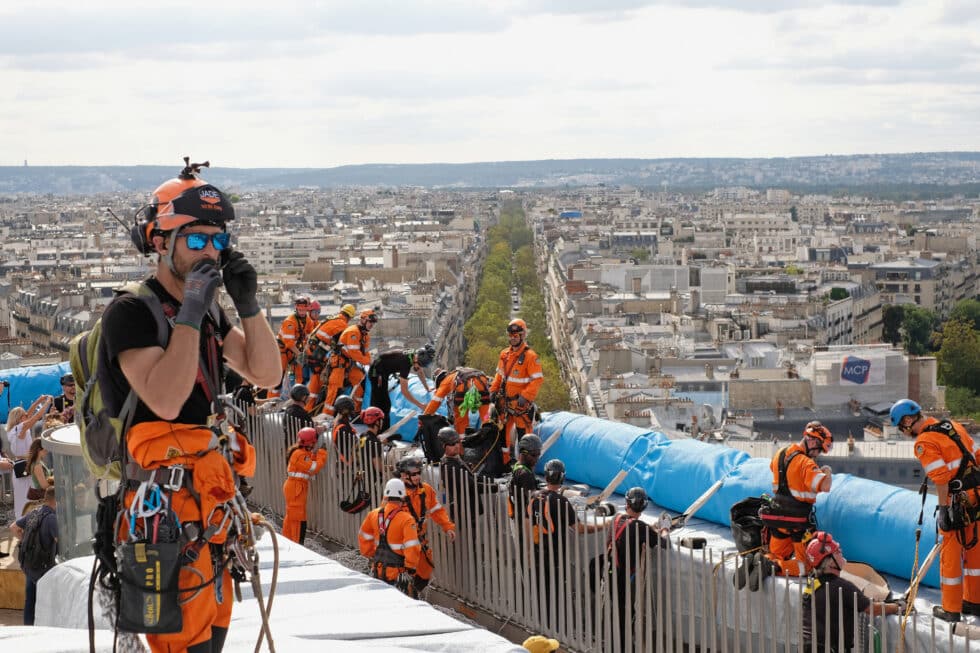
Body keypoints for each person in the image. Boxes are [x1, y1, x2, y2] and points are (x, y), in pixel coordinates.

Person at [102, 163, 280, 652]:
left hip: (208, 503)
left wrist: (248, 306)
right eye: (195, 241)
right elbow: (165, 398)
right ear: (161, 242)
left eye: (216, 241)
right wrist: (191, 312)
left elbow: (267, 374)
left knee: (212, 636)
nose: (209, 252)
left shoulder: (208, 311)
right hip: (166, 512)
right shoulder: (131, 313)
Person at [891, 398, 980, 622]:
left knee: (950, 554)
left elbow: (941, 479)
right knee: (975, 552)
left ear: (909, 420)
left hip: (956, 501)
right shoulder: (953, 425)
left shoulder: (925, 442)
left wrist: (943, 509)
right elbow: (976, 456)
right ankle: (974, 602)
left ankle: (951, 609)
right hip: (976, 496)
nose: (904, 432)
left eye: (902, 428)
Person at [748, 421, 833, 588]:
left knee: (776, 554)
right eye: (818, 450)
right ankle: (772, 566)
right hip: (797, 524)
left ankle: (759, 562)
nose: (817, 454)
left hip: (776, 518)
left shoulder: (780, 453)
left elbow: (776, 472)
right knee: (805, 566)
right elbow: (825, 485)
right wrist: (827, 471)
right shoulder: (806, 463)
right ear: (812, 441)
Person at [591, 487, 667, 652]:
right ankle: (623, 646)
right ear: (644, 506)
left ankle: (611, 643)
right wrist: (665, 529)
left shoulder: (617, 518)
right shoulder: (640, 527)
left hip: (610, 571)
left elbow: (622, 534)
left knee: (613, 609)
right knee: (626, 613)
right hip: (626, 578)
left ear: (627, 503)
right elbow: (663, 543)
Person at [802, 531, 902, 652]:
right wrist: (897, 607)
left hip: (807, 647)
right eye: (837, 552)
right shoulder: (841, 586)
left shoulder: (813, 582)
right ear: (831, 561)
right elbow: (872, 609)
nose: (841, 554)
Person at [527, 459, 608, 606]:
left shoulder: (535, 496)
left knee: (539, 590)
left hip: (537, 551)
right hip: (555, 555)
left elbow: (529, 522)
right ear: (562, 478)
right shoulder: (561, 502)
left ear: (546, 476)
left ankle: (541, 618)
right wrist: (604, 525)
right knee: (554, 593)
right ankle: (553, 623)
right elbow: (580, 529)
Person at [396, 457, 457, 595]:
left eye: (419, 473)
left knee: (425, 571)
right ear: (404, 475)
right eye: (414, 474)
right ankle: (406, 596)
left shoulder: (426, 490)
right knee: (405, 573)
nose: (417, 477)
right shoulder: (396, 493)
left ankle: (412, 593)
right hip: (401, 542)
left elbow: (437, 510)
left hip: (419, 540)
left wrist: (447, 527)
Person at [489, 318, 544, 463]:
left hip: (521, 406)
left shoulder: (530, 357)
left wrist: (526, 396)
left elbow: (537, 380)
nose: (512, 339)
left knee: (524, 439)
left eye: (515, 336)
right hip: (505, 404)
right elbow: (499, 375)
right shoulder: (505, 355)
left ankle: (524, 467)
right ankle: (505, 463)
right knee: (503, 437)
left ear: (522, 335)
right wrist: (493, 390)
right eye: (510, 336)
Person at [358, 478, 422, 596]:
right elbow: (412, 546)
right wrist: (411, 567)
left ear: (386, 496)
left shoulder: (373, 514)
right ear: (403, 497)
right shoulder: (407, 519)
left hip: (377, 570)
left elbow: (363, 538)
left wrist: (372, 554)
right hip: (397, 575)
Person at [11, 485, 58, 625]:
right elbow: (59, 540)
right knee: (46, 601)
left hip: (29, 563)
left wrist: (24, 539)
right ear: (56, 500)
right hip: (44, 567)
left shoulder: (34, 512)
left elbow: (13, 527)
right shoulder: (51, 518)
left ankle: (28, 628)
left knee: (30, 600)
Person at [322, 309, 378, 417]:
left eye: (373, 323)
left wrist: (370, 361)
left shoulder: (365, 335)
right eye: (370, 322)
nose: (371, 325)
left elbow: (365, 353)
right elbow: (355, 354)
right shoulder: (353, 332)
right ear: (363, 320)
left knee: (359, 383)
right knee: (334, 389)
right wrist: (369, 362)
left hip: (349, 364)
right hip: (339, 363)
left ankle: (356, 412)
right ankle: (326, 415)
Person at [438, 426, 498, 528]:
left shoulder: (456, 459)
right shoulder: (450, 466)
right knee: (468, 541)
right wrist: (496, 488)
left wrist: (493, 481)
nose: (456, 446)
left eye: (457, 442)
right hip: (463, 512)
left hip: (469, 511)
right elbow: (472, 486)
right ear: (443, 446)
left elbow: (471, 478)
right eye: (452, 444)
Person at [6, 395, 53, 516]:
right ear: (20, 418)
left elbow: (30, 413)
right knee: (27, 497)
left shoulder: (16, 429)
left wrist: (39, 400)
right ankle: (25, 521)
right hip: (25, 466)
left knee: (26, 497)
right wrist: (47, 403)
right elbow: (36, 416)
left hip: (23, 465)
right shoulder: (20, 429)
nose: (27, 416)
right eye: (24, 416)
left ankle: (25, 521)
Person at [368, 345, 434, 430]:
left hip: (384, 370)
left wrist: (427, 388)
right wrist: (420, 405)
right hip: (376, 372)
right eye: (419, 365)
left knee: (386, 404)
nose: (419, 368)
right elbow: (404, 391)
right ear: (417, 360)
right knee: (380, 403)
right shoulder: (405, 363)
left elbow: (420, 372)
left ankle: (383, 430)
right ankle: (373, 429)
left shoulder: (414, 354)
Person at [305, 304, 355, 412]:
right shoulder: (342, 325)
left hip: (312, 353)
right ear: (350, 317)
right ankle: (324, 413)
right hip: (318, 355)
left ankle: (308, 409)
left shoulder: (332, 319)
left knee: (314, 386)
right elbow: (342, 345)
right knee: (326, 385)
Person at [282, 427, 328, 545]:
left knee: (293, 517)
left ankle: (289, 542)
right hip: (296, 488)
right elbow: (313, 468)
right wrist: (322, 454)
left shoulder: (301, 453)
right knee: (297, 518)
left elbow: (309, 462)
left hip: (296, 488)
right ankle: (296, 544)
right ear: (310, 442)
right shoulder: (299, 454)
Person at [424, 366, 492, 435]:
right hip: (482, 382)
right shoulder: (458, 373)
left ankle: (462, 438)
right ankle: (489, 434)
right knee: (485, 415)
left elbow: (436, 401)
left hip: (462, 387)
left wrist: (424, 417)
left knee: (461, 418)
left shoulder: (445, 382)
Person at [277, 296, 314, 388]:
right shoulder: (289, 322)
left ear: (307, 309)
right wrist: (300, 354)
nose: (302, 312)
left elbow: (310, 336)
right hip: (283, 351)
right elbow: (288, 343)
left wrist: (305, 350)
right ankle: (273, 398)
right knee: (279, 376)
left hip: (295, 349)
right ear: (296, 308)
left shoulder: (308, 321)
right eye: (300, 310)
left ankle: (297, 392)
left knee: (299, 375)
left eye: (304, 310)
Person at [508, 433, 542, 523]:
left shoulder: (517, 466)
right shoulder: (525, 474)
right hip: (525, 521)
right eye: (534, 455)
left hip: (518, 516)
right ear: (524, 452)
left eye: (539, 454)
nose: (537, 458)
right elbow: (534, 496)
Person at [282, 383, 315, 449]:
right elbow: (312, 431)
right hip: (302, 448)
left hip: (289, 446)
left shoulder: (288, 410)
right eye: (307, 396)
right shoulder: (302, 414)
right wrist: (323, 428)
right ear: (303, 397)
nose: (309, 399)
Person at [330, 395, 360, 466]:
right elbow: (353, 447)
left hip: (343, 462)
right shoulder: (343, 428)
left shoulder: (337, 423)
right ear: (345, 410)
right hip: (349, 465)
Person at [25, 438, 53, 506]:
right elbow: (44, 486)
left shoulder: (38, 462)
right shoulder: (37, 465)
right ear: (39, 450)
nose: (46, 451)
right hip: (41, 498)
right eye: (45, 449)